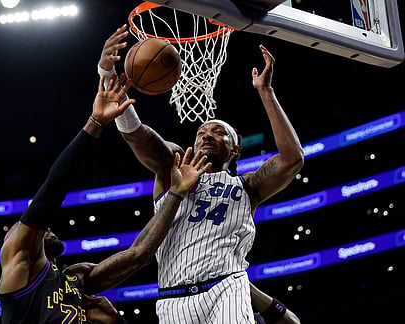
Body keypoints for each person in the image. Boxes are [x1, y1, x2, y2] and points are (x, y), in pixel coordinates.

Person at [98, 25, 304, 323]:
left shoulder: (247, 187)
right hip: (172, 298)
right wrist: (106, 73)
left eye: (218, 132)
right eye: (201, 132)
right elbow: (137, 136)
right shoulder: (173, 168)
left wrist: (266, 91)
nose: (206, 135)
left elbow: (292, 158)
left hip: (226, 287)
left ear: (235, 149)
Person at [0, 73, 211, 324]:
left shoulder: (76, 279)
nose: (48, 229)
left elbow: (139, 255)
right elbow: (54, 188)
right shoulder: (20, 260)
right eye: (30, 229)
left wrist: (176, 193)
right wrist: (95, 123)